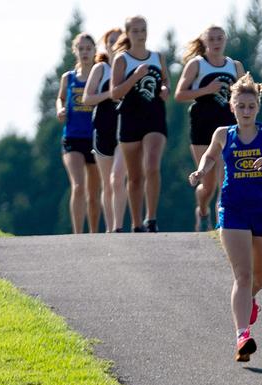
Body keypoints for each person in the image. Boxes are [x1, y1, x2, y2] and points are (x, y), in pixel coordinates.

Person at [189, 73, 262, 361]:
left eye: (251, 106)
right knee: (243, 274)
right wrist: (202, 171)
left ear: (258, 107)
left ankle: (250, 301)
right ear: (232, 107)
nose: (246, 111)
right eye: (241, 106)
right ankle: (242, 336)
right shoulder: (224, 134)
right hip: (233, 209)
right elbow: (211, 156)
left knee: (259, 278)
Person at [174, 25, 244, 231]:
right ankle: (202, 210)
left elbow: (244, 94)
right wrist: (207, 90)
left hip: (227, 129)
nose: (216, 42)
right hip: (202, 128)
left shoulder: (235, 66)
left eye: (220, 38)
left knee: (226, 178)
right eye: (211, 39)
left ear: (225, 40)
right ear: (204, 42)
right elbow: (179, 94)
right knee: (209, 183)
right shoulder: (197, 65)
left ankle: (222, 227)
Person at [110, 16, 169, 233]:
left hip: (154, 116)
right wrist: (135, 77)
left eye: (143, 30)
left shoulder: (158, 57)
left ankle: (151, 218)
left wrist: (165, 90)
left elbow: (165, 82)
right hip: (129, 118)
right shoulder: (122, 60)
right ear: (128, 33)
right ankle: (136, 223)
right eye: (135, 31)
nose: (140, 34)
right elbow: (115, 93)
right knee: (134, 176)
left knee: (152, 165)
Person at [83, 27, 127, 232]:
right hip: (102, 129)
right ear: (106, 46)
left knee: (117, 178)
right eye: (111, 43)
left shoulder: (129, 67)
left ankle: (118, 227)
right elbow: (87, 98)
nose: (114, 46)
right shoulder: (100, 69)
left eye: (119, 42)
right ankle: (110, 228)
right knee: (107, 183)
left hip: (125, 130)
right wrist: (110, 94)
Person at [57, 33, 101, 234]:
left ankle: (92, 233)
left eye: (88, 49)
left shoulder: (100, 75)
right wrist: (60, 109)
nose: (85, 53)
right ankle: (78, 234)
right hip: (72, 137)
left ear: (94, 51)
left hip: (94, 136)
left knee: (93, 192)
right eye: (81, 49)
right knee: (78, 185)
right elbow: (60, 98)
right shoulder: (68, 77)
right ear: (75, 51)